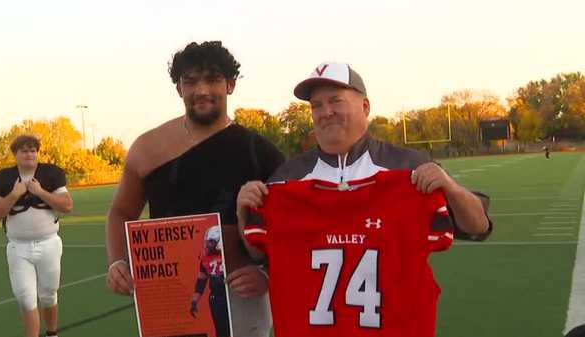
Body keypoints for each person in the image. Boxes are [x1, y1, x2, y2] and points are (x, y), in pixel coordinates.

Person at [236, 62, 493, 336]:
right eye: (317, 106)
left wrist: (450, 188)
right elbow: (261, 252)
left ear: (365, 107)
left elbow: (478, 227)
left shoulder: (408, 169)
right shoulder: (287, 180)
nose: (326, 112)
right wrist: (243, 212)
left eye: (336, 101)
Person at [105, 41, 284, 337]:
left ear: (230, 84)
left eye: (213, 79)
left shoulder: (260, 152)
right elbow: (121, 211)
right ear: (178, 88)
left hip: (240, 297)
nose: (201, 90)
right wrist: (117, 262)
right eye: (190, 81)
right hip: (170, 296)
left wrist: (266, 274)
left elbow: (291, 229)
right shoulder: (149, 147)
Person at [0, 135, 73, 337]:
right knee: (26, 298)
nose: (29, 154)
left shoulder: (51, 174)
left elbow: (67, 205)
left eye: (33, 150)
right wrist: (15, 194)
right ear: (15, 154)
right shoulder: (4, 178)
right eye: (24, 150)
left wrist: (40, 192)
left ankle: (52, 333)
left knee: (49, 296)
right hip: (18, 248)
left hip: (49, 244)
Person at [190, 226, 229, 337]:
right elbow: (201, 283)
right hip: (216, 298)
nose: (208, 245)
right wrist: (194, 302)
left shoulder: (228, 255)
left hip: (231, 297)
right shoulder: (205, 259)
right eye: (208, 241)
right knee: (221, 331)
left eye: (211, 242)